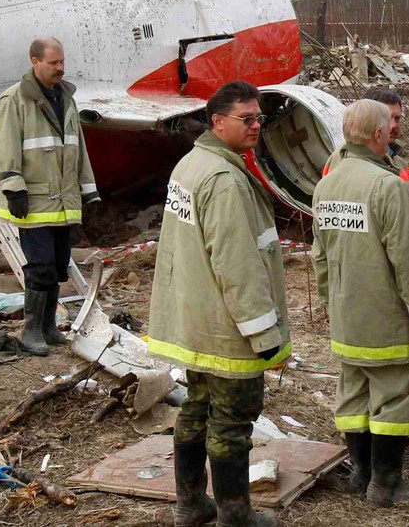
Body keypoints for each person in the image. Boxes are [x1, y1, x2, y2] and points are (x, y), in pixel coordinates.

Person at [147, 80, 289, 527]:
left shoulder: (191, 164)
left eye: (258, 118)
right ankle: (235, 514)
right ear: (218, 122)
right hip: (228, 328)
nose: (255, 126)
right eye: (245, 119)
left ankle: (190, 505)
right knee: (232, 420)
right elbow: (238, 265)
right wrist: (263, 332)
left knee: (197, 407)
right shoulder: (224, 180)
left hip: (195, 318)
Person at [312, 100, 409, 507]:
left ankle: (360, 473)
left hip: (347, 313)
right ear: (379, 134)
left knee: (354, 395)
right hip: (387, 316)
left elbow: (320, 255)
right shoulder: (388, 186)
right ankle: (386, 485)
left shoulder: (326, 184)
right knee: (394, 396)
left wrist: (330, 300)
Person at [0, 37, 100, 356]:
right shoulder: (15, 99)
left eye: (62, 62)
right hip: (33, 201)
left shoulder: (67, 99)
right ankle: (31, 331)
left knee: (59, 265)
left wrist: (87, 189)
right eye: (53, 63)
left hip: (62, 201)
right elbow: (4, 146)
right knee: (39, 266)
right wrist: (13, 186)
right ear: (35, 62)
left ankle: (49, 327)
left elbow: (77, 147)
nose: (60, 68)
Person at [322, 87, 409, 182]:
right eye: (387, 118)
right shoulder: (339, 161)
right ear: (366, 118)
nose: (393, 125)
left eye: (397, 118)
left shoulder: (400, 164)